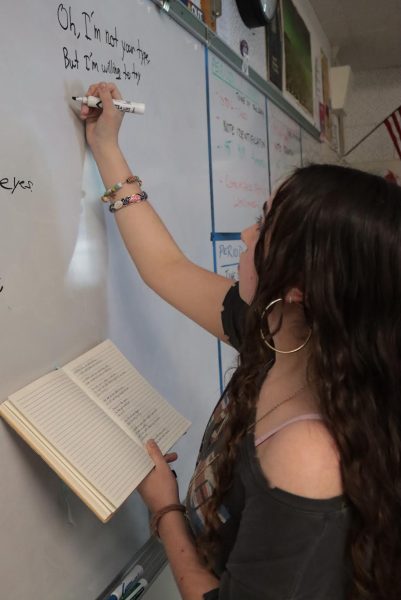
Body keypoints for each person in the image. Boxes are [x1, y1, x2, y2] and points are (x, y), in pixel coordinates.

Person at [81, 82, 401, 600]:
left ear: (299, 286)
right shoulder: (277, 332)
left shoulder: (308, 459)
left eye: (262, 225)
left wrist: (166, 511)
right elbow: (166, 268)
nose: (247, 237)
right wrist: (107, 147)